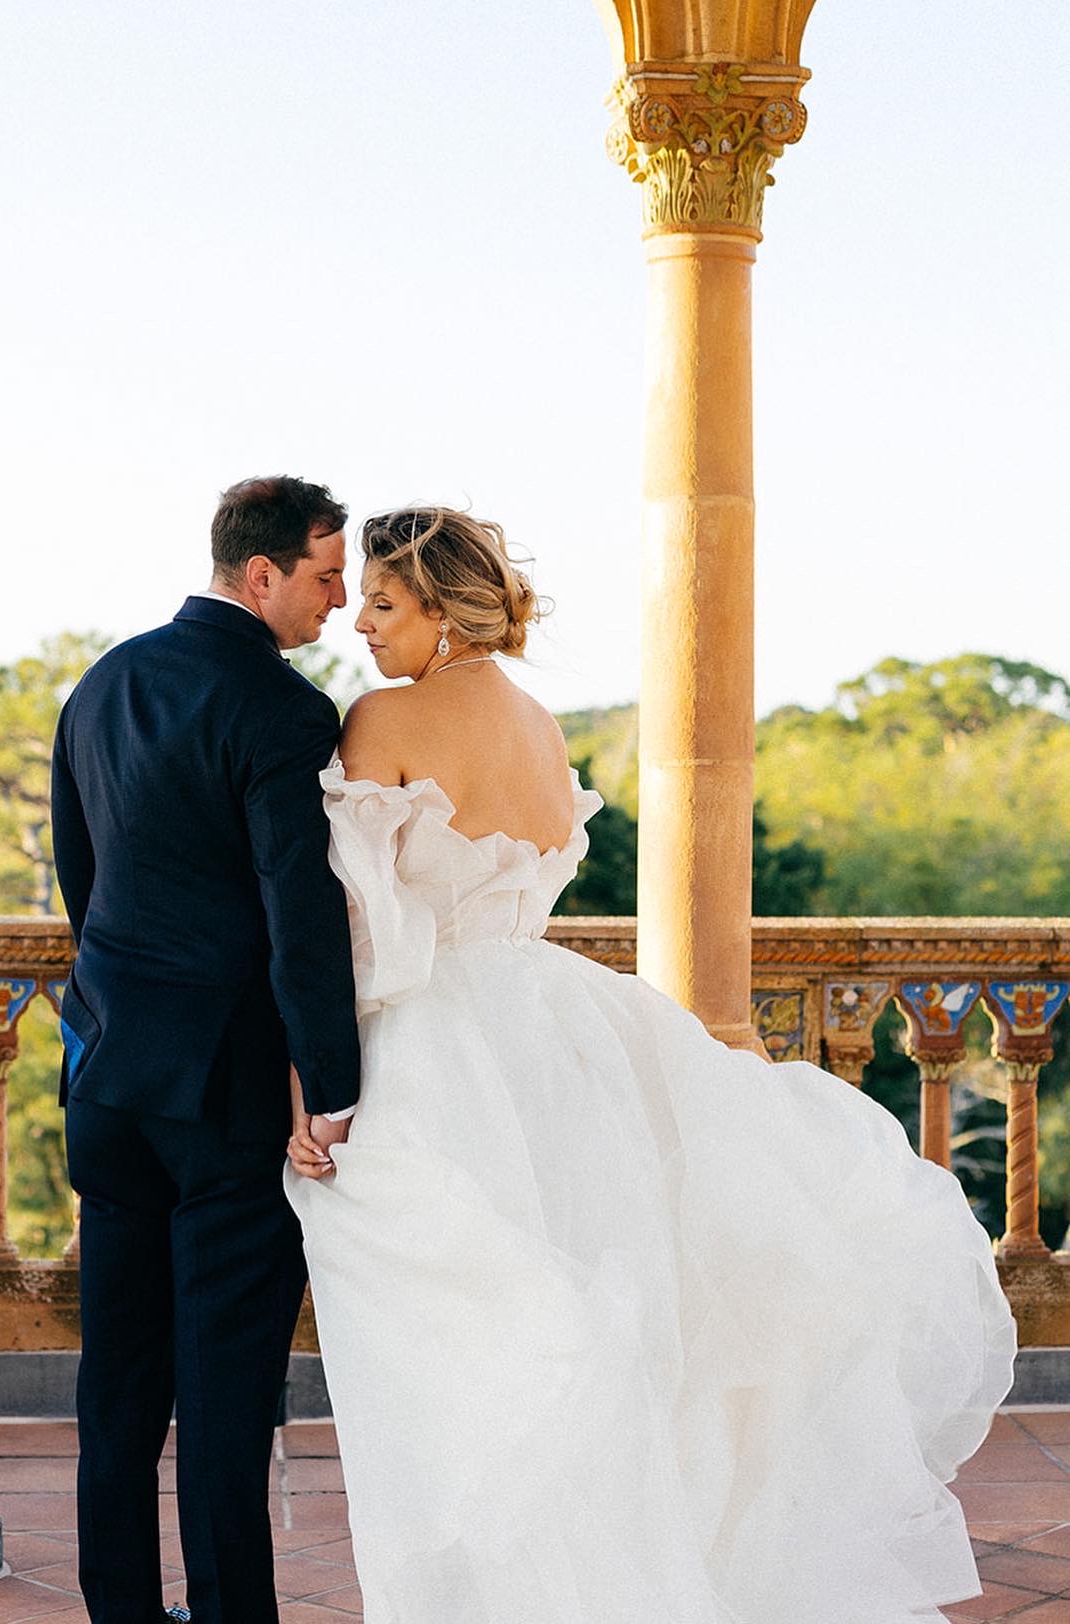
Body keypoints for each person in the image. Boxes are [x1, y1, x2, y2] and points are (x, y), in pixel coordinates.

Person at [286, 504, 1016, 1624]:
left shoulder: (382, 719)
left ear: (439, 611)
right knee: (598, 1331)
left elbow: (364, 939)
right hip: (559, 1035)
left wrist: (312, 1080)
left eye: (383, 605)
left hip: (440, 1045)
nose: (364, 629)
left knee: (448, 1361)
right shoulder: (540, 728)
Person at [53, 476, 362, 1624]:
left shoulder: (103, 683)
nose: (338, 601)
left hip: (106, 1076)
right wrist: (330, 1089)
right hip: (228, 1098)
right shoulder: (284, 713)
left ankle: (122, 1615)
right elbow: (302, 921)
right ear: (262, 573)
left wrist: (108, 1016)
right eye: (325, 577)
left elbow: (81, 886)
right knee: (226, 1399)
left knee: (118, 1387)